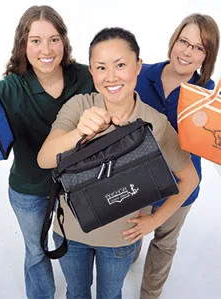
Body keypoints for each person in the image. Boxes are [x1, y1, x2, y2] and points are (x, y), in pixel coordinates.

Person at [37, 27, 199, 299]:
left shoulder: (156, 123)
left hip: (120, 240)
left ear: (138, 67)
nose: (111, 77)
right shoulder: (79, 106)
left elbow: (190, 179)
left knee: (110, 295)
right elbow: (44, 159)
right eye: (101, 67)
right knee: (76, 293)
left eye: (120, 65)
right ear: (91, 72)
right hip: (71, 233)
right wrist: (79, 132)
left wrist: (154, 221)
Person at [0, 5, 95, 299]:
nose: (46, 49)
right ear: (23, 45)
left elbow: (120, 88)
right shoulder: (8, 88)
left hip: (79, 187)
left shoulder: (85, 77)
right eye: (35, 40)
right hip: (29, 190)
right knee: (36, 253)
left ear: (64, 41)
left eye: (53, 39)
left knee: (78, 251)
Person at [135, 13, 220, 299]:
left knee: (164, 243)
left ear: (207, 57)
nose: (187, 52)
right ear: (174, 41)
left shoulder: (209, 94)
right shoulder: (140, 74)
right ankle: (129, 259)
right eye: (184, 41)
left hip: (179, 187)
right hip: (137, 180)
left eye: (199, 48)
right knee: (131, 232)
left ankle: (150, 294)